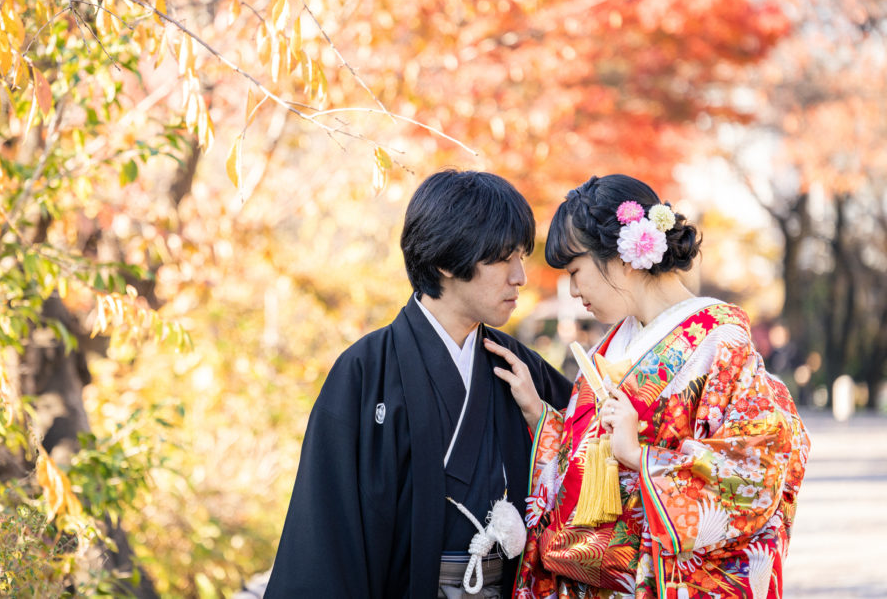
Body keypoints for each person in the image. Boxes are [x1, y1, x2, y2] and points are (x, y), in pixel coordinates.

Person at [487, 174, 810, 599]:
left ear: (623, 256)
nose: (574, 290)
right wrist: (539, 415)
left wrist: (640, 457)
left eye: (576, 271)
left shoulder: (720, 341)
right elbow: (584, 460)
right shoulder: (610, 345)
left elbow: (758, 469)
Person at [265, 170, 573, 599]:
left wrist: (542, 419)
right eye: (504, 258)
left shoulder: (520, 370)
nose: (520, 276)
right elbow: (325, 532)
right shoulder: (363, 373)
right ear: (446, 261)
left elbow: (598, 472)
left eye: (521, 257)